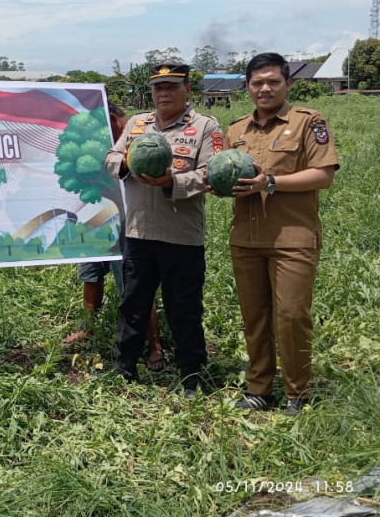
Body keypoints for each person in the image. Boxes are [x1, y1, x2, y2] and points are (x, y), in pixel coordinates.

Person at [227, 53, 339, 416]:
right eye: (257, 82)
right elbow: (228, 178)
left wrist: (270, 182)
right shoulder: (236, 130)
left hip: (292, 237)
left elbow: (323, 174)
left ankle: (298, 391)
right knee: (254, 316)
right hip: (246, 237)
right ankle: (259, 388)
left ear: (287, 84)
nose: (264, 88)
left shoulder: (308, 122)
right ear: (247, 87)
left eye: (273, 81)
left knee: (290, 315)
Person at [103, 63, 223, 395]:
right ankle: (125, 366)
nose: (164, 93)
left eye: (171, 86)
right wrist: (129, 161)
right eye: (158, 88)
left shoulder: (205, 127)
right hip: (139, 233)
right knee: (133, 304)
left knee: (183, 307)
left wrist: (173, 180)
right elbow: (110, 158)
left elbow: (211, 176)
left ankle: (191, 374)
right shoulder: (138, 125)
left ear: (187, 89)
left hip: (181, 236)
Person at [64, 102, 165, 372]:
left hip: (128, 221)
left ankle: (154, 343)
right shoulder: (94, 139)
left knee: (135, 285)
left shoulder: (140, 135)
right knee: (90, 272)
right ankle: (87, 328)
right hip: (95, 214)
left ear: (111, 118)